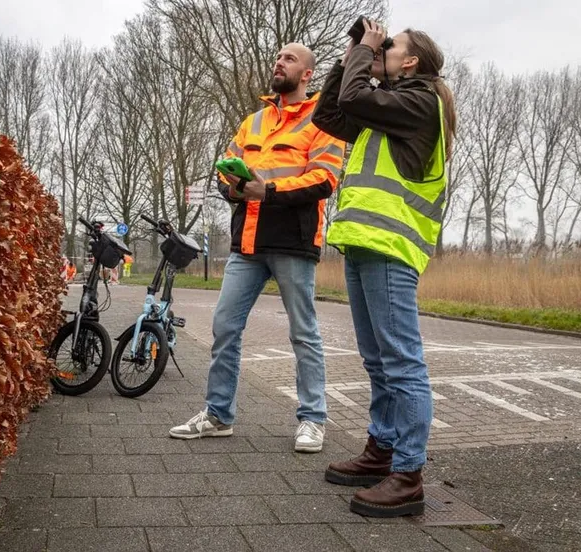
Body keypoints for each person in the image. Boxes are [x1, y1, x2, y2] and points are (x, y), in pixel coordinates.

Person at [169, 43, 345, 453]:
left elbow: (324, 179)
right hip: (246, 242)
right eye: (277, 58)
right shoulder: (254, 121)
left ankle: (313, 420)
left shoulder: (323, 122)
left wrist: (268, 190)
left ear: (307, 74)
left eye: (288, 59)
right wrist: (232, 185)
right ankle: (218, 415)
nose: (277, 63)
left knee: (303, 333)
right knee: (225, 327)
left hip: (292, 242)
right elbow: (224, 170)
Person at [312, 20, 456, 517]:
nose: (381, 49)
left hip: (392, 246)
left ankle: (408, 474)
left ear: (411, 61)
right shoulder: (388, 109)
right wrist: (351, 53)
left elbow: (354, 99)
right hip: (363, 243)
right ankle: (383, 449)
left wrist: (363, 55)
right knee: (377, 360)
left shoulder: (419, 104)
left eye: (390, 46)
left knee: (401, 362)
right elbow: (331, 113)